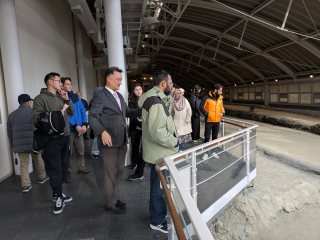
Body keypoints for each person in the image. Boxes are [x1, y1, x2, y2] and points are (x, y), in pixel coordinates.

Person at [89, 66, 140, 214]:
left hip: (122, 140)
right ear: (109, 79)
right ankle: (110, 203)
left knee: (119, 171)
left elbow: (128, 112)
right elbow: (92, 117)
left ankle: (113, 198)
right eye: (118, 79)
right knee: (110, 173)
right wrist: (102, 132)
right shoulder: (100, 95)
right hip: (108, 142)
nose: (120, 81)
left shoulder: (119, 96)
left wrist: (142, 108)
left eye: (121, 79)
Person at [138, 70, 178, 233]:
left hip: (158, 152)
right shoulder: (155, 102)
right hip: (161, 152)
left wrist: (169, 96)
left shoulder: (156, 99)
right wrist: (175, 141)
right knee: (159, 189)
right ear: (163, 84)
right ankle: (157, 220)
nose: (172, 86)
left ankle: (157, 216)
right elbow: (157, 132)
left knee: (158, 186)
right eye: (170, 83)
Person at [32, 72, 74, 215]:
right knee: (54, 168)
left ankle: (59, 193)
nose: (61, 84)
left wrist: (66, 100)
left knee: (63, 166)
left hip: (65, 136)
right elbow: (36, 118)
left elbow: (72, 113)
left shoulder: (60, 97)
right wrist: (56, 115)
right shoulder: (40, 99)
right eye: (58, 81)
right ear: (50, 82)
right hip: (51, 140)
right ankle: (57, 196)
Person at [7, 94, 48, 193]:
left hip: (19, 144)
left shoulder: (11, 115)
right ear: (29, 102)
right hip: (34, 142)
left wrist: (13, 145)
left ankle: (26, 185)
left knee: (23, 164)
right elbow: (41, 127)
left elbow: (9, 133)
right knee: (38, 159)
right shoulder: (33, 112)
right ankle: (42, 177)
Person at [61, 77, 91, 181]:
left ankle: (81, 168)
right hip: (69, 129)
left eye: (70, 84)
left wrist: (84, 124)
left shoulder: (75, 97)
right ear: (62, 85)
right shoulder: (61, 98)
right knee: (68, 152)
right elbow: (66, 115)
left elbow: (82, 110)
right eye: (67, 84)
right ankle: (67, 173)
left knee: (81, 150)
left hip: (79, 129)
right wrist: (75, 125)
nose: (69, 86)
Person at [200, 83, 225, 160]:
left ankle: (213, 151)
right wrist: (206, 114)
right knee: (207, 137)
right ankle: (205, 153)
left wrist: (223, 112)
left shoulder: (220, 98)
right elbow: (201, 107)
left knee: (215, 137)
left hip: (217, 121)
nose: (221, 92)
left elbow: (221, 107)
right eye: (220, 91)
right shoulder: (207, 98)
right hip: (209, 121)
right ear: (215, 90)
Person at [128, 83, 145, 180]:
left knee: (143, 150)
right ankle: (134, 163)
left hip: (145, 129)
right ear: (133, 91)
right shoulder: (131, 101)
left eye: (140, 89)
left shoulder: (146, 100)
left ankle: (140, 170)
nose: (138, 91)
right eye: (136, 89)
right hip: (135, 128)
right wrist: (140, 122)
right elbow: (132, 115)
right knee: (135, 147)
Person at [89, 87, 104, 159]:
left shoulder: (99, 100)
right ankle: (95, 152)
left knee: (100, 137)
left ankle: (99, 151)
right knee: (97, 137)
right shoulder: (94, 101)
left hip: (101, 121)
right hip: (96, 122)